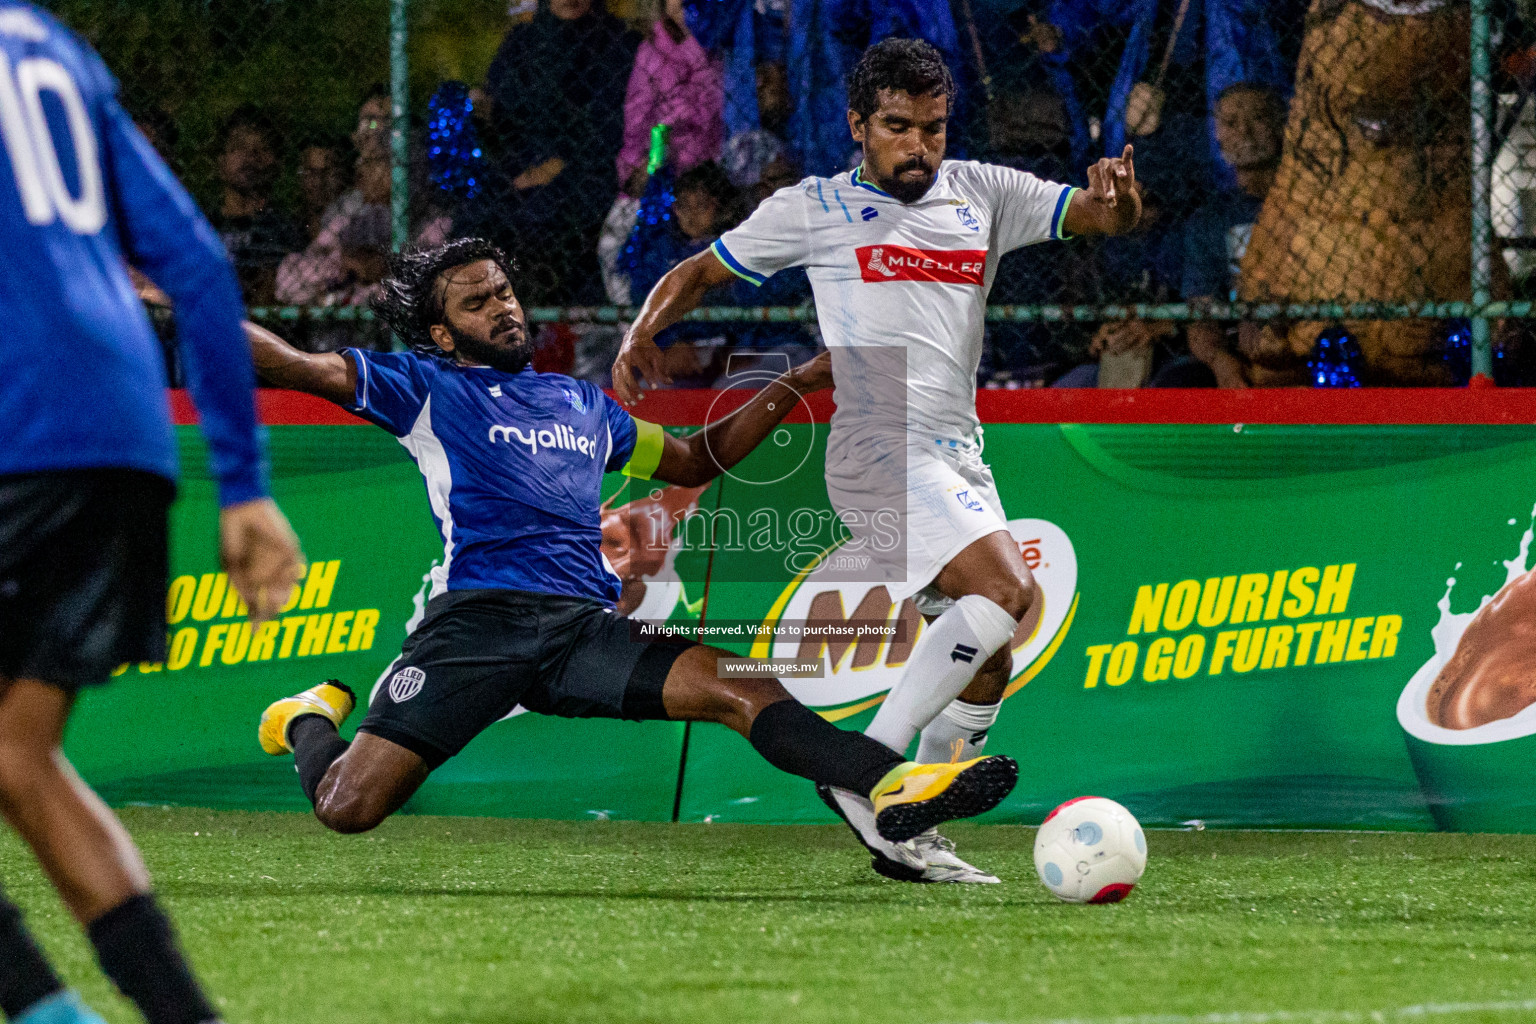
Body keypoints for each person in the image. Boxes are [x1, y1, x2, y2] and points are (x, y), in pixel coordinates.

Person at [246, 238, 1018, 844]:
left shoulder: (581, 402)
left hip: (582, 629)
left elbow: (690, 459)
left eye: (505, 292)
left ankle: (888, 783)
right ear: (445, 334)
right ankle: (306, 718)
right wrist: (197, 310)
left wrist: (799, 382)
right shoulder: (422, 387)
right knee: (348, 807)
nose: (503, 308)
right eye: (478, 303)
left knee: (740, 685)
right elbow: (288, 363)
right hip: (477, 627)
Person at [613, 39, 1141, 883]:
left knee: (990, 651)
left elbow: (1097, 216)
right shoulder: (814, 206)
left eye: (932, 128)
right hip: (875, 442)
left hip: (959, 451)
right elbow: (699, 271)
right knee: (1009, 591)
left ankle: (909, 838)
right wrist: (642, 330)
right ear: (859, 125)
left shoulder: (984, 192)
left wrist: (1119, 204)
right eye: (897, 127)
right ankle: (869, 776)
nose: (918, 147)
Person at [0, 6, 306, 1024]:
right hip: (122, 427)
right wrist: (245, 484)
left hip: (17, 422)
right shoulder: (46, 45)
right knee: (17, 755)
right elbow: (200, 270)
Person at [1163, 82, 1285, 388]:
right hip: (1240, 346)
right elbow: (1201, 315)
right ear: (1217, 135)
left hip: (1306, 337)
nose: (1244, 131)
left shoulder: (1314, 206)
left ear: (1281, 125)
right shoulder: (1209, 220)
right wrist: (1221, 362)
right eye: (1230, 122)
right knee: (1177, 384)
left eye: (1257, 118)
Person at [207, 105, 303, 306]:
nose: (250, 157)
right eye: (238, 146)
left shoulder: (286, 228)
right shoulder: (203, 225)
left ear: (276, 163)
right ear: (221, 162)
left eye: (262, 148)